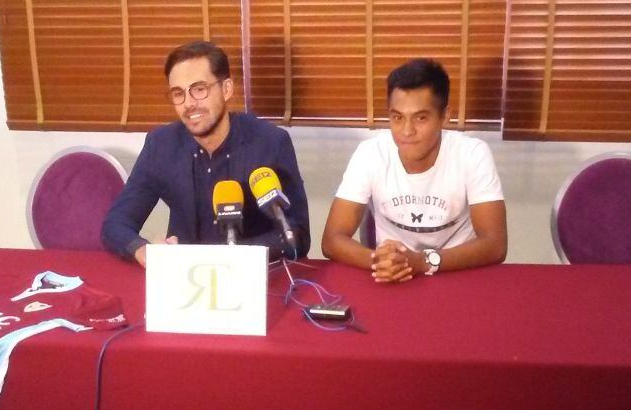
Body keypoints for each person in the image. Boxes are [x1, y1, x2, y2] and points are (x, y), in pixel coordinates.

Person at [101, 41, 310, 265]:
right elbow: (116, 223)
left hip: (254, 277)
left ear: (226, 89)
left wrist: (228, 257)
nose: (189, 103)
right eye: (178, 93)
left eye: (199, 89)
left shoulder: (269, 142)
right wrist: (143, 250)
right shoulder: (161, 145)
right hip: (184, 279)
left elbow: (297, 234)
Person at [321, 59, 507, 282]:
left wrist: (422, 262)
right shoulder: (370, 153)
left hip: (458, 276)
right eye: (397, 117)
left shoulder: (472, 153)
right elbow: (332, 240)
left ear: (445, 116)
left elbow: (495, 245)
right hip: (393, 279)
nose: (407, 131)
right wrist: (379, 261)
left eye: (420, 118)